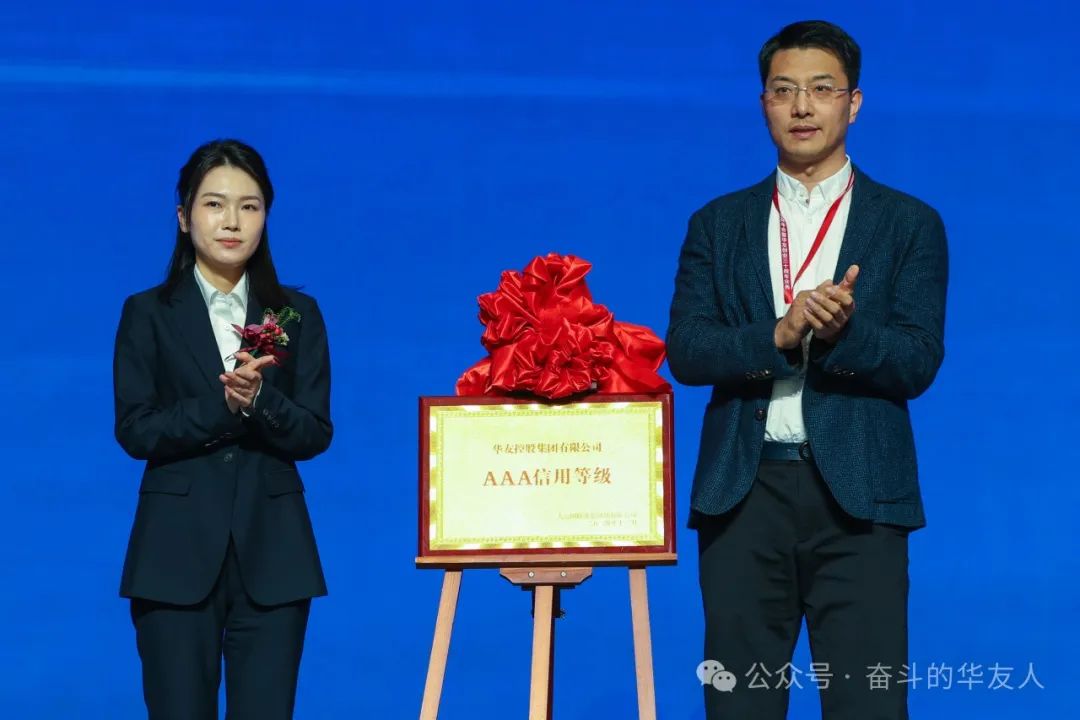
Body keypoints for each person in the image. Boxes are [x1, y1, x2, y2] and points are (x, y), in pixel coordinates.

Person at [666, 20, 948, 720]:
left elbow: (917, 361)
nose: (801, 107)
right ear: (763, 102)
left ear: (853, 103)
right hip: (743, 491)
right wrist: (779, 334)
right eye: (783, 90)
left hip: (860, 497)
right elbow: (688, 350)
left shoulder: (908, 223)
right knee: (739, 705)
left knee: (866, 704)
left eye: (822, 89)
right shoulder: (718, 223)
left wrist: (843, 335)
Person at [113, 139, 333, 719]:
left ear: (265, 217)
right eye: (214, 204)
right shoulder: (147, 313)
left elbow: (314, 432)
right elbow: (136, 429)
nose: (232, 221)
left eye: (249, 206)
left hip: (275, 556)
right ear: (185, 217)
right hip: (173, 556)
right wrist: (224, 407)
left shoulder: (294, 315)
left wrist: (261, 401)